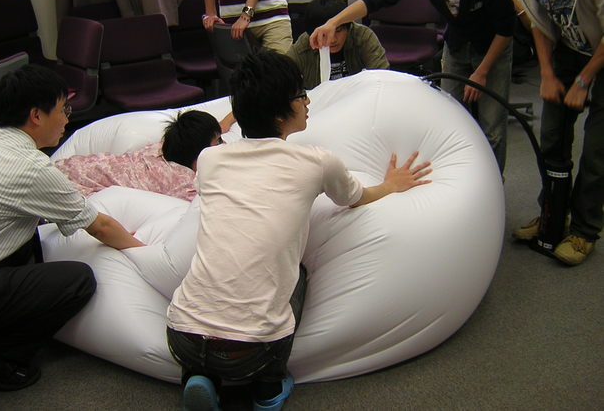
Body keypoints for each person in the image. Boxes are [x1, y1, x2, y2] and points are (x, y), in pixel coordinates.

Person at [162, 51, 431, 410]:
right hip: (251, 350)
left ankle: (198, 376)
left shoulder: (209, 160)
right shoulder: (317, 162)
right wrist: (391, 185)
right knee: (296, 274)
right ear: (279, 114)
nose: (308, 102)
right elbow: (355, 198)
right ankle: (268, 389)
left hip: (180, 335)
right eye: (300, 95)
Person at [0, 65, 144, 391]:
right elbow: (100, 227)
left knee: (26, 238)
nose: (66, 120)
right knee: (76, 280)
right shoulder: (29, 167)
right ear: (36, 115)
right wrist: (147, 253)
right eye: (63, 110)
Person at [310, 0, 516, 173]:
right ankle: (458, 177)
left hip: (492, 47)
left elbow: (506, 29)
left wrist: (482, 71)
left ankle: (493, 183)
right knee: (451, 118)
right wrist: (334, 22)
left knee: (492, 126)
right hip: (457, 44)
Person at [491, 0, 604, 265]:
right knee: (552, 138)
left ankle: (584, 231)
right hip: (569, 52)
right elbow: (540, 26)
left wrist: (584, 80)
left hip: (600, 52)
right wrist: (547, 74)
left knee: (597, 151)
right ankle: (553, 216)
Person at [55, 110, 225, 200]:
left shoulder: (160, 148)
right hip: (70, 186)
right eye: (218, 141)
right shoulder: (186, 185)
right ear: (199, 154)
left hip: (69, 166)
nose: (223, 145)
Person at [286, 0, 390, 89]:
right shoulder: (303, 47)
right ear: (313, 34)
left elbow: (382, 76)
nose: (333, 40)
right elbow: (283, 78)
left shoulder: (362, 37)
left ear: (348, 27)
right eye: (324, 35)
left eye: (338, 31)